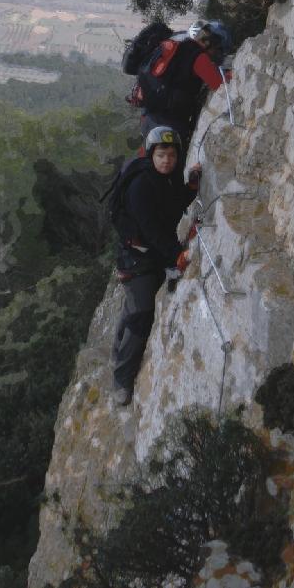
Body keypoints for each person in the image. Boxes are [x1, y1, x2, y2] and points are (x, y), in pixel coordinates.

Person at [110, 126, 201, 406]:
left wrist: (191, 188)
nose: (167, 161)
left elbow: (171, 207)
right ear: (152, 155)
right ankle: (121, 380)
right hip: (137, 260)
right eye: (161, 155)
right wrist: (176, 255)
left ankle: (116, 352)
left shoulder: (165, 179)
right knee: (141, 314)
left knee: (132, 307)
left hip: (146, 254)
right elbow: (151, 230)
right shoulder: (140, 187)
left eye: (172, 155)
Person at [138, 19, 228, 149]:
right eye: (218, 49)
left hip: (149, 116)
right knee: (169, 163)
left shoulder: (180, 46)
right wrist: (231, 74)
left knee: (151, 159)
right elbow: (219, 85)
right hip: (169, 122)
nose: (217, 54)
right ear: (209, 43)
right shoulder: (198, 56)